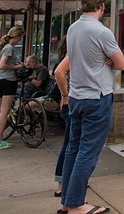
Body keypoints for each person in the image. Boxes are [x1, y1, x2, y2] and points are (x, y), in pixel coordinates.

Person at [58, 0, 124, 214]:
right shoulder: (102, 32)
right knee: (88, 151)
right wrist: (108, 59)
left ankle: (68, 201)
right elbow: (121, 63)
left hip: (76, 97)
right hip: (97, 97)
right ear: (102, 6)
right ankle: (77, 204)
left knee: (73, 149)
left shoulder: (73, 28)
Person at [0, 26, 25, 150]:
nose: (20, 40)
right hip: (8, 80)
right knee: (4, 112)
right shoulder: (9, 48)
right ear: (17, 36)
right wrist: (16, 67)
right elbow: (2, 65)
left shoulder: (0, 47)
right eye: (20, 37)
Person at [54, 40, 71, 201]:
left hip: (68, 104)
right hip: (74, 103)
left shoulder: (66, 55)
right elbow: (59, 73)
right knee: (73, 145)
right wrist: (65, 95)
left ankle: (63, 182)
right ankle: (64, 183)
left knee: (71, 144)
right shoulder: (73, 55)